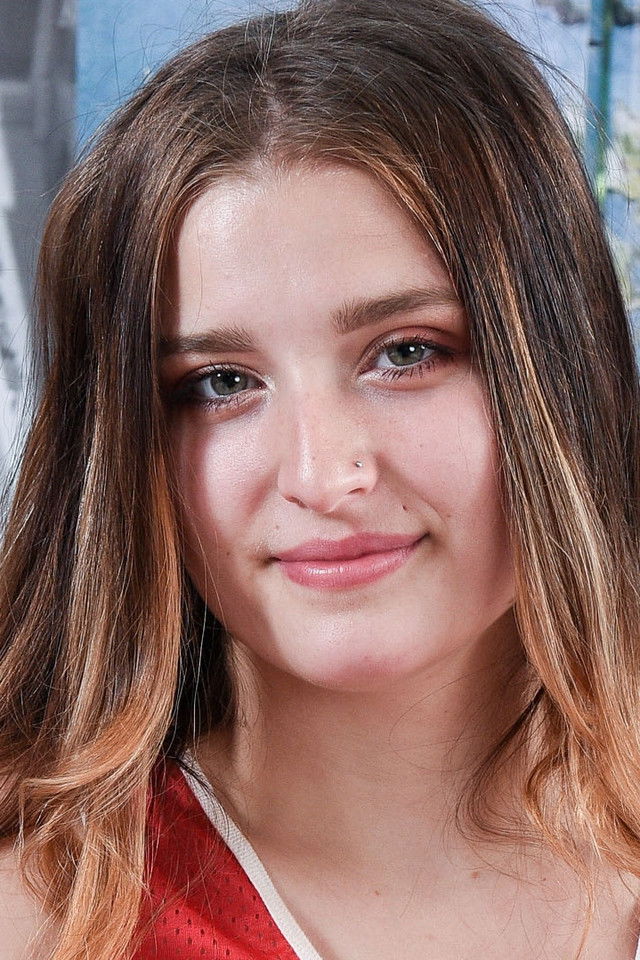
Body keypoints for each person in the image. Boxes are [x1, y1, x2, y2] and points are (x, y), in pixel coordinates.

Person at [1, 0, 640, 956]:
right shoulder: (41, 923)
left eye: (407, 352)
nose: (322, 474)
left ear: (562, 369)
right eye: (221, 383)